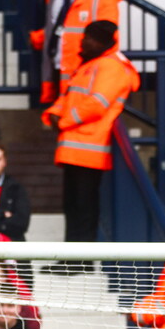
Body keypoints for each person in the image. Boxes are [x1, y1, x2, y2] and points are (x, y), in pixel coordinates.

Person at [44, 20, 140, 246]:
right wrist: (53, 114)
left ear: (102, 42)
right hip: (74, 148)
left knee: (84, 206)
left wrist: (63, 121)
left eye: (89, 37)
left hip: (89, 149)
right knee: (73, 205)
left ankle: (81, 260)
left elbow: (97, 104)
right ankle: (70, 258)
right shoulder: (90, 65)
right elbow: (68, 97)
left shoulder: (111, 67)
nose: (83, 41)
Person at [30, 0, 121, 104]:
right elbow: (57, 24)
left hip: (82, 70)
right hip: (57, 63)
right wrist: (39, 38)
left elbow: (108, 38)